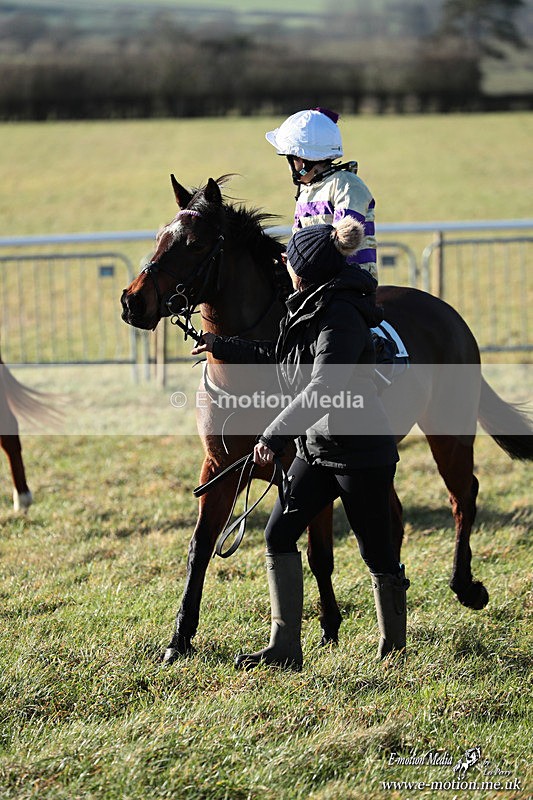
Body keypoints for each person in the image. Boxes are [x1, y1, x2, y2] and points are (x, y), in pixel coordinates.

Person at [192, 218, 408, 671]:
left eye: (290, 257)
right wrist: (221, 344)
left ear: (304, 268)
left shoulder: (342, 315)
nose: (284, 262)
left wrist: (273, 434)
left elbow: (324, 388)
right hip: (317, 449)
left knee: (376, 552)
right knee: (278, 534)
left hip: (358, 453)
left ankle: (393, 653)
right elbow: (280, 354)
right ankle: (285, 648)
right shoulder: (308, 303)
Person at [265, 107, 379, 281]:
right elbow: (299, 239)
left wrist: (302, 258)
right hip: (316, 282)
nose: (289, 167)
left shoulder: (347, 185)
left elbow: (342, 244)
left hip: (352, 282)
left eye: (291, 159)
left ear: (303, 161)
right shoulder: (305, 191)